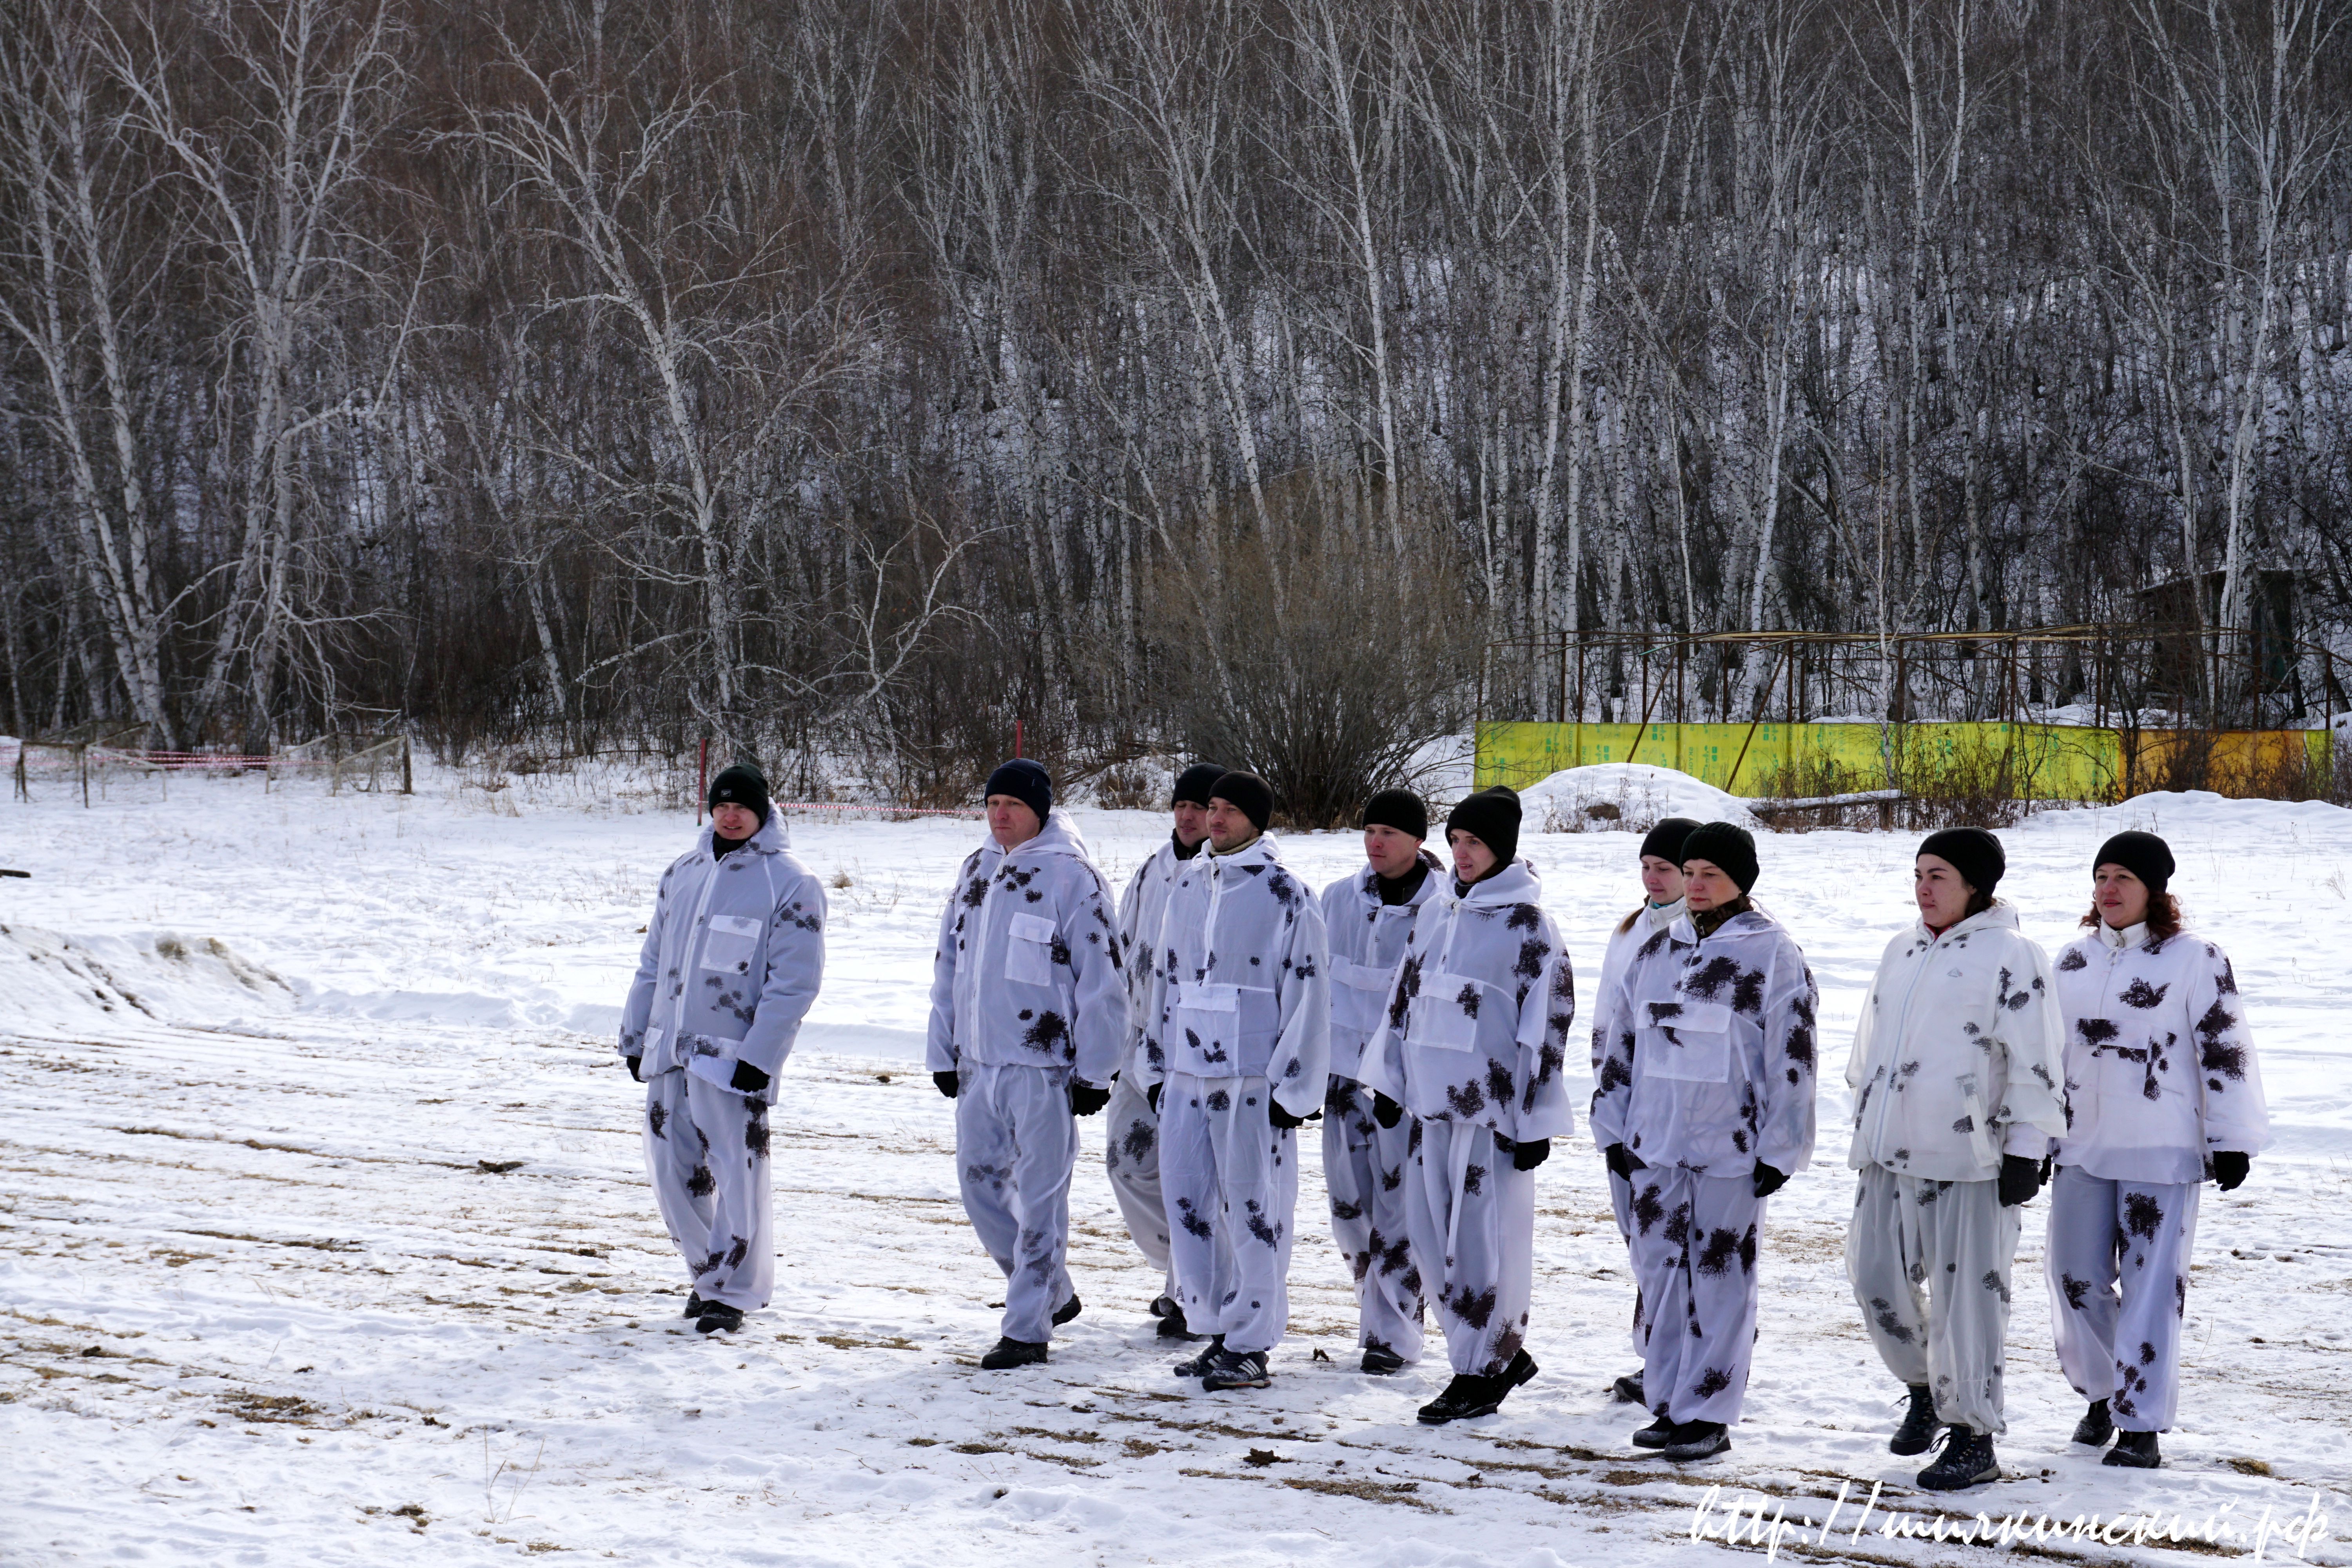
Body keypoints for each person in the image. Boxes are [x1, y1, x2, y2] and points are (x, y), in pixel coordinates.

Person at [1842, 829, 2068, 1491]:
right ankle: (1925, 1388)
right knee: (1874, 1276)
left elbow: (2037, 1057)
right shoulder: (1903, 948)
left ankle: (1974, 1434)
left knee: (1970, 1301)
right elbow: (1870, 1045)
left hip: (1972, 1159)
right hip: (1888, 1150)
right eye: (1918, 874)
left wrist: (2028, 1149)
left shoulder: (2013, 954)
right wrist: (1864, 1118)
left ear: (1976, 885)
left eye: (1938, 876)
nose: (1923, 888)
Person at [1590, 820, 1818, 1462]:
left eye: (1709, 875)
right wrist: (1612, 1126)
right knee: (1660, 1272)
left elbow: (1793, 1057)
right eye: (1689, 874)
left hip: (1731, 1150)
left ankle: (1709, 1411)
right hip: (1655, 1143)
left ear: (1740, 881)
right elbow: (1622, 1043)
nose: (1694, 886)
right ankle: (1667, 1399)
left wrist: (1781, 1148)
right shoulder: (1657, 950)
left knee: (1719, 1277)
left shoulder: (1771, 954)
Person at [2045, 830, 2267, 1470]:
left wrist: (2230, 1138)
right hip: (2081, 1145)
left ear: (2155, 891)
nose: (2109, 890)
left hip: (2161, 1148)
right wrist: (2034, 1134)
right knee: (2074, 1278)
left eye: (2124, 879)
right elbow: (2046, 1055)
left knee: (2149, 1289)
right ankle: (2107, 1391)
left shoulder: (2194, 958)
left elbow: (2225, 1047)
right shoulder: (2073, 960)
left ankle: (2139, 1424)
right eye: (2102, 877)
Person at [1358, 785, 1575, 1424]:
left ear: (1503, 849)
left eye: (1475, 843)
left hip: (1490, 1118)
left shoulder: (1530, 926)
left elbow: (1550, 1021)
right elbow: (1405, 1000)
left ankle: (1481, 1368)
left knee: (1483, 1246)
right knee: (1429, 1243)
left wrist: (1535, 1116)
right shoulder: (1437, 914)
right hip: (1431, 1109)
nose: (1462, 853)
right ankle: (1488, 1354)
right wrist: (1391, 1084)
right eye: (1455, 842)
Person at [927, 759, 1129, 1370]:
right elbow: (948, 966)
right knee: (979, 1187)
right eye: (992, 806)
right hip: (980, 1064)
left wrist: (1096, 1070)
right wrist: (943, 1048)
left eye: (1012, 805)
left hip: (1044, 1069)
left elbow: (1103, 982)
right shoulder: (977, 871)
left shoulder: (1073, 879)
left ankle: (1026, 1330)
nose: (1000, 816)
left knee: (1042, 1200)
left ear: (1040, 810)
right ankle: (1052, 1292)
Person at [1136, 769, 1330, 1393]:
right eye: (1210, 808)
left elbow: (1310, 992)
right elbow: (1163, 981)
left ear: (1256, 820)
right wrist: (1157, 1067)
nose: (1214, 820)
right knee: (1191, 1205)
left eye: (1227, 811)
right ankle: (1217, 1327)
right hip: (1187, 1079)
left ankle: (1251, 1344)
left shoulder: (1287, 895)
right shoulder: (1186, 887)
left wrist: (1292, 1088)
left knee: (1255, 1210)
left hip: (1251, 1083)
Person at [618, 760, 827, 1336]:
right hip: (669, 1050)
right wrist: (636, 1035)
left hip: (734, 1059)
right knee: (670, 1171)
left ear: (762, 812)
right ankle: (708, 1275)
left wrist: (763, 1053)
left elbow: (795, 982)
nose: (731, 815)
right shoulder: (682, 872)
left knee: (738, 1172)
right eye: (722, 805)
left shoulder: (790, 882)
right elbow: (653, 965)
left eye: (742, 806)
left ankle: (733, 1290)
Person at [1317, 787, 1441, 1374]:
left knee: (1399, 1211)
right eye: (1369, 831)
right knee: (1350, 1210)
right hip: (1342, 1078)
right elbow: (1314, 987)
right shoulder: (1338, 900)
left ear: (1419, 840)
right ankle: (1380, 1306)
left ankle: (1392, 1336)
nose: (1377, 843)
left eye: (1390, 833)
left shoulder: (1441, 907)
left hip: (1404, 1089)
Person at [1110, 760, 1223, 1339]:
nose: (1187, 816)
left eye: (1200, 807)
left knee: (1192, 1178)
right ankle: (1181, 1263)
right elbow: (1123, 951)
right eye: (1180, 805)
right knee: (1126, 1164)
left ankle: (1188, 1290)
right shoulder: (1151, 872)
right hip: (1136, 1047)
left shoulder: (1225, 879)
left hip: (1191, 1054)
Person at [1592, 816, 1700, 1408]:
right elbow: (1610, 1018)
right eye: (1648, 867)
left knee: (1681, 1243)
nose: (1654, 878)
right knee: (1643, 1241)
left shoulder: (1700, 935)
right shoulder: (1630, 930)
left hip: (1676, 1114)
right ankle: (1658, 1350)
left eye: (1667, 869)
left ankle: (1690, 1355)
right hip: (1626, 1108)